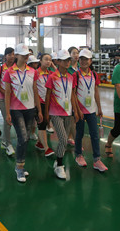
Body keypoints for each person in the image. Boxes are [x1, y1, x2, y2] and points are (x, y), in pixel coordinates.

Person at [4, 44, 43, 183]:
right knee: (23, 137)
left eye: (27, 54)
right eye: (23, 54)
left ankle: (20, 165)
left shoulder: (33, 71)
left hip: (30, 109)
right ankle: (19, 167)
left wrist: (38, 109)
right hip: (16, 110)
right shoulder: (9, 72)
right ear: (16, 56)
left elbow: (35, 91)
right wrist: (7, 112)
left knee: (25, 139)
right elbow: (7, 93)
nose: (26, 56)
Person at [44, 49, 79, 180]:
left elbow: (72, 95)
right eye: (64, 60)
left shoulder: (71, 77)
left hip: (68, 113)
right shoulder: (52, 77)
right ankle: (59, 165)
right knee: (64, 139)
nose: (67, 62)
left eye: (68, 60)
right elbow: (48, 96)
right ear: (57, 61)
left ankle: (58, 160)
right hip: (55, 113)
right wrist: (47, 114)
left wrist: (75, 111)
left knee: (63, 142)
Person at [73, 49, 108, 172]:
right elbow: (73, 94)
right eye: (81, 59)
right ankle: (78, 155)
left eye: (86, 59)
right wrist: (77, 110)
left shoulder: (93, 74)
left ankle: (97, 160)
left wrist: (99, 107)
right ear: (79, 60)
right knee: (79, 134)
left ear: (90, 61)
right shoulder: (76, 74)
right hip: (80, 111)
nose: (83, 61)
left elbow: (96, 91)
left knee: (95, 135)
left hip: (92, 110)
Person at [0, 47, 16, 156]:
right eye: (10, 54)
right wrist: (4, 91)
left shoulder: (16, 68)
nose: (12, 56)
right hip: (2, 98)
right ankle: (9, 144)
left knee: (10, 121)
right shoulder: (0, 69)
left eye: (13, 54)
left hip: (14, 99)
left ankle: (4, 140)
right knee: (8, 120)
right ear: (5, 56)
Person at [34, 53, 55, 157]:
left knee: (46, 121)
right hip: (39, 102)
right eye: (46, 59)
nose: (48, 61)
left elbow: (58, 74)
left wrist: (54, 66)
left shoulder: (51, 73)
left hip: (49, 102)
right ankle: (46, 148)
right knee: (42, 123)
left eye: (50, 60)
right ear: (40, 61)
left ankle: (39, 142)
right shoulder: (35, 73)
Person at [27, 55, 40, 141]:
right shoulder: (28, 73)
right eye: (34, 63)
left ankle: (32, 132)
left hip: (35, 97)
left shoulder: (36, 72)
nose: (36, 64)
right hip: (29, 97)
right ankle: (27, 133)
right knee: (28, 119)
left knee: (34, 119)